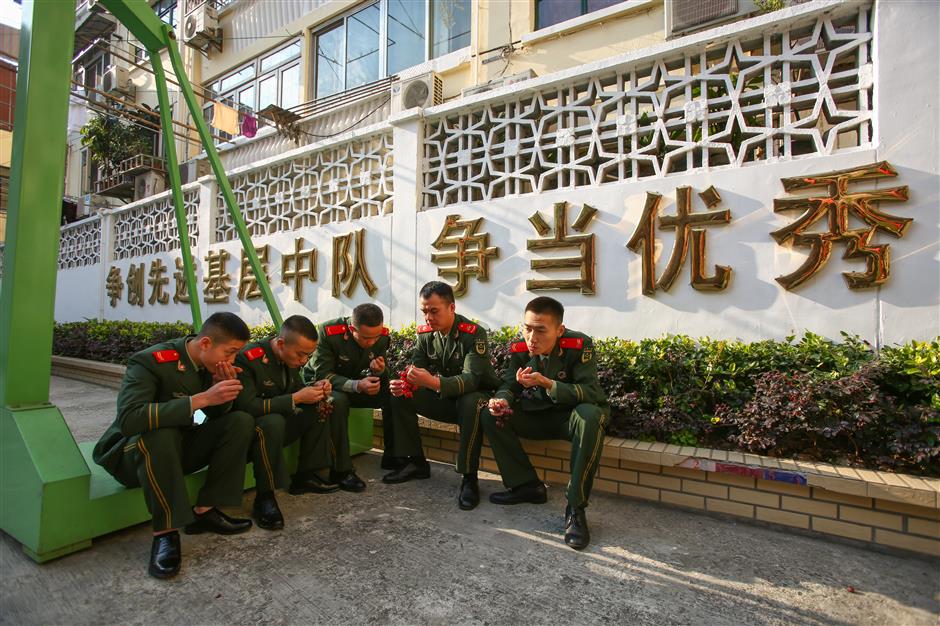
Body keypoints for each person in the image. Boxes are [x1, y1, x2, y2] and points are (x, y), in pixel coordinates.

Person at [92, 312, 256, 579]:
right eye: (230, 352)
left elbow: (206, 418)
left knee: (240, 420)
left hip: (177, 450)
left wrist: (220, 394)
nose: (232, 361)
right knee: (161, 432)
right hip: (132, 456)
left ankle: (205, 510)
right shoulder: (150, 362)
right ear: (205, 343)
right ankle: (165, 533)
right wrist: (200, 400)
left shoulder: (208, 366)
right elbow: (130, 419)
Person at [481, 296, 609, 550]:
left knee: (591, 416)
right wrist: (502, 401)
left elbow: (590, 392)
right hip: (537, 415)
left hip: (569, 418)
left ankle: (576, 508)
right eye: (527, 328)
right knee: (489, 413)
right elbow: (509, 385)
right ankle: (526, 486)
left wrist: (548, 384)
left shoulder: (579, 345)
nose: (532, 338)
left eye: (541, 330)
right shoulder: (520, 349)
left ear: (559, 330)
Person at [383, 281, 501, 510]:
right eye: (425, 311)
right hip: (446, 397)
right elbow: (416, 367)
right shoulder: (426, 335)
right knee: (400, 395)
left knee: (469, 401)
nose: (428, 317)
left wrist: (433, 382)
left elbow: (471, 380)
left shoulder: (473, 334)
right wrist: (404, 383)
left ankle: (469, 477)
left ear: (452, 308)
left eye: (434, 311)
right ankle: (415, 462)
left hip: (477, 399)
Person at [234, 315, 338, 531]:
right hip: (248, 433)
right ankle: (265, 496)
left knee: (320, 404)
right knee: (272, 422)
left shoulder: (290, 358)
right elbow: (246, 406)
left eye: (308, 355)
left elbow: (294, 388)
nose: (303, 361)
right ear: (281, 344)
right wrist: (296, 398)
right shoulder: (248, 358)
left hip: (278, 426)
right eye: (300, 354)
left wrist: (315, 387)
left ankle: (307, 474)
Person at [303, 303, 398, 491]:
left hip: (356, 386)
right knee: (338, 401)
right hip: (323, 387)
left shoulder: (381, 338)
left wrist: (379, 372)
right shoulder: (328, 333)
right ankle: (342, 470)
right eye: (365, 338)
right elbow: (322, 374)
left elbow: (381, 371)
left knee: (394, 395)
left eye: (375, 337)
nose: (372, 342)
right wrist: (356, 386)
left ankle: (394, 455)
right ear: (352, 328)